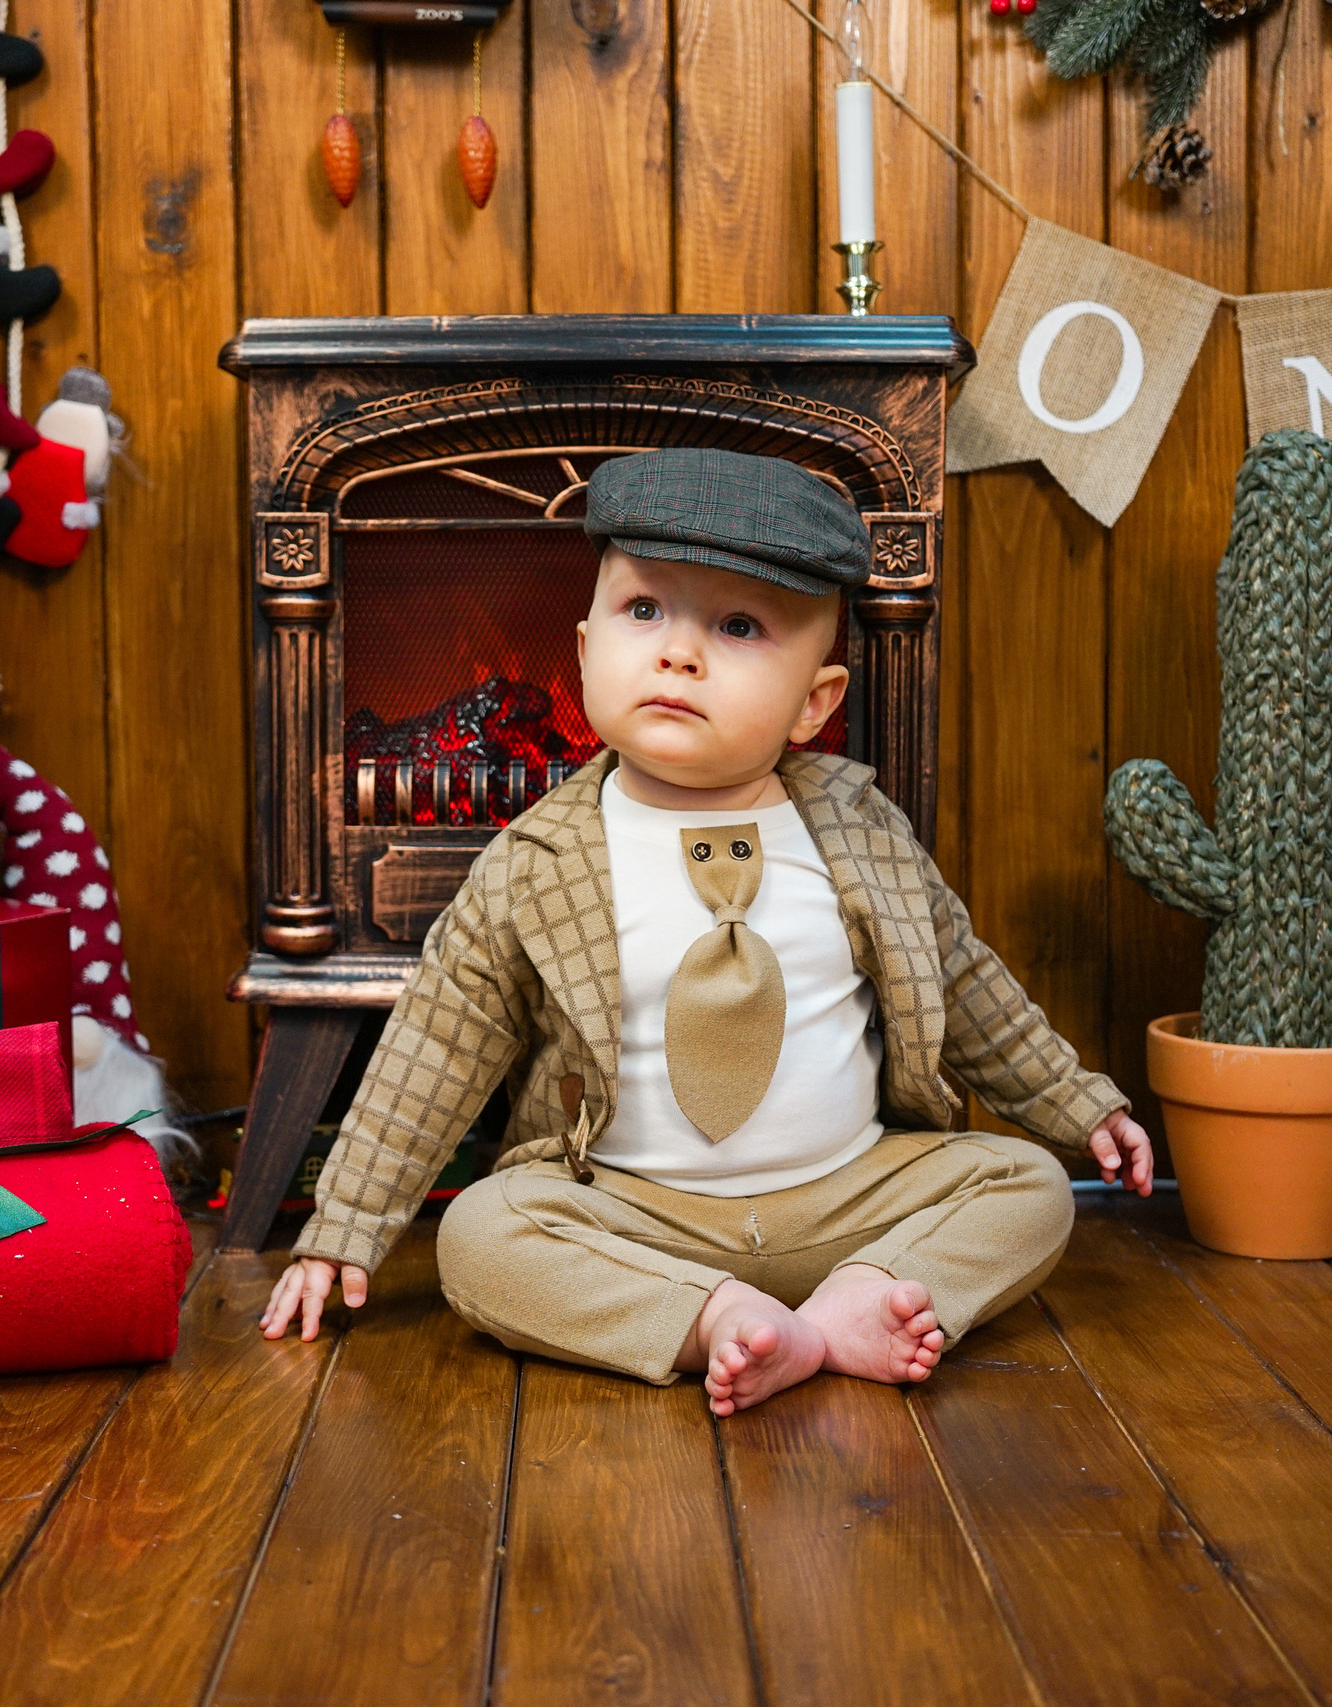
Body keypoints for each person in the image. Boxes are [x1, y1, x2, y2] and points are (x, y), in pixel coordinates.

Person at [259, 448, 1153, 1416]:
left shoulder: (857, 831)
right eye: (644, 612)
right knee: (479, 1234)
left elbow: (965, 984)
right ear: (585, 643)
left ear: (816, 703)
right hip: (635, 1212)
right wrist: (343, 1220)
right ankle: (710, 1316)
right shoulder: (536, 861)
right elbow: (435, 1044)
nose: (678, 653)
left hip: (848, 1197)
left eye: (736, 626)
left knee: (1028, 1186)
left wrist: (1076, 1104)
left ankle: (860, 1299)